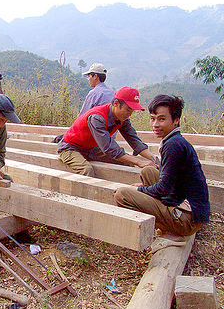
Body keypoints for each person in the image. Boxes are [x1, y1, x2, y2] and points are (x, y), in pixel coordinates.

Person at [114, 95, 210, 242]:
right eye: (153, 119)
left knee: (122, 195)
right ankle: (168, 222)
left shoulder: (173, 146)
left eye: (162, 119)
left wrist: (138, 190)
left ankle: (171, 230)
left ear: (176, 120)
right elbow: (170, 183)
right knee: (148, 171)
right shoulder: (174, 140)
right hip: (190, 207)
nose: (155, 124)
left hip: (187, 219)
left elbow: (164, 189)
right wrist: (146, 188)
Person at [57, 86, 156, 176]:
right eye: (128, 110)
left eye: (132, 111)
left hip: (90, 148)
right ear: (116, 104)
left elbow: (135, 141)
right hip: (70, 148)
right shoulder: (97, 117)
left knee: (126, 162)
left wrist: (154, 159)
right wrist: (139, 161)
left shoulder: (122, 118)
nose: (129, 114)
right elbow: (110, 148)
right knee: (87, 170)